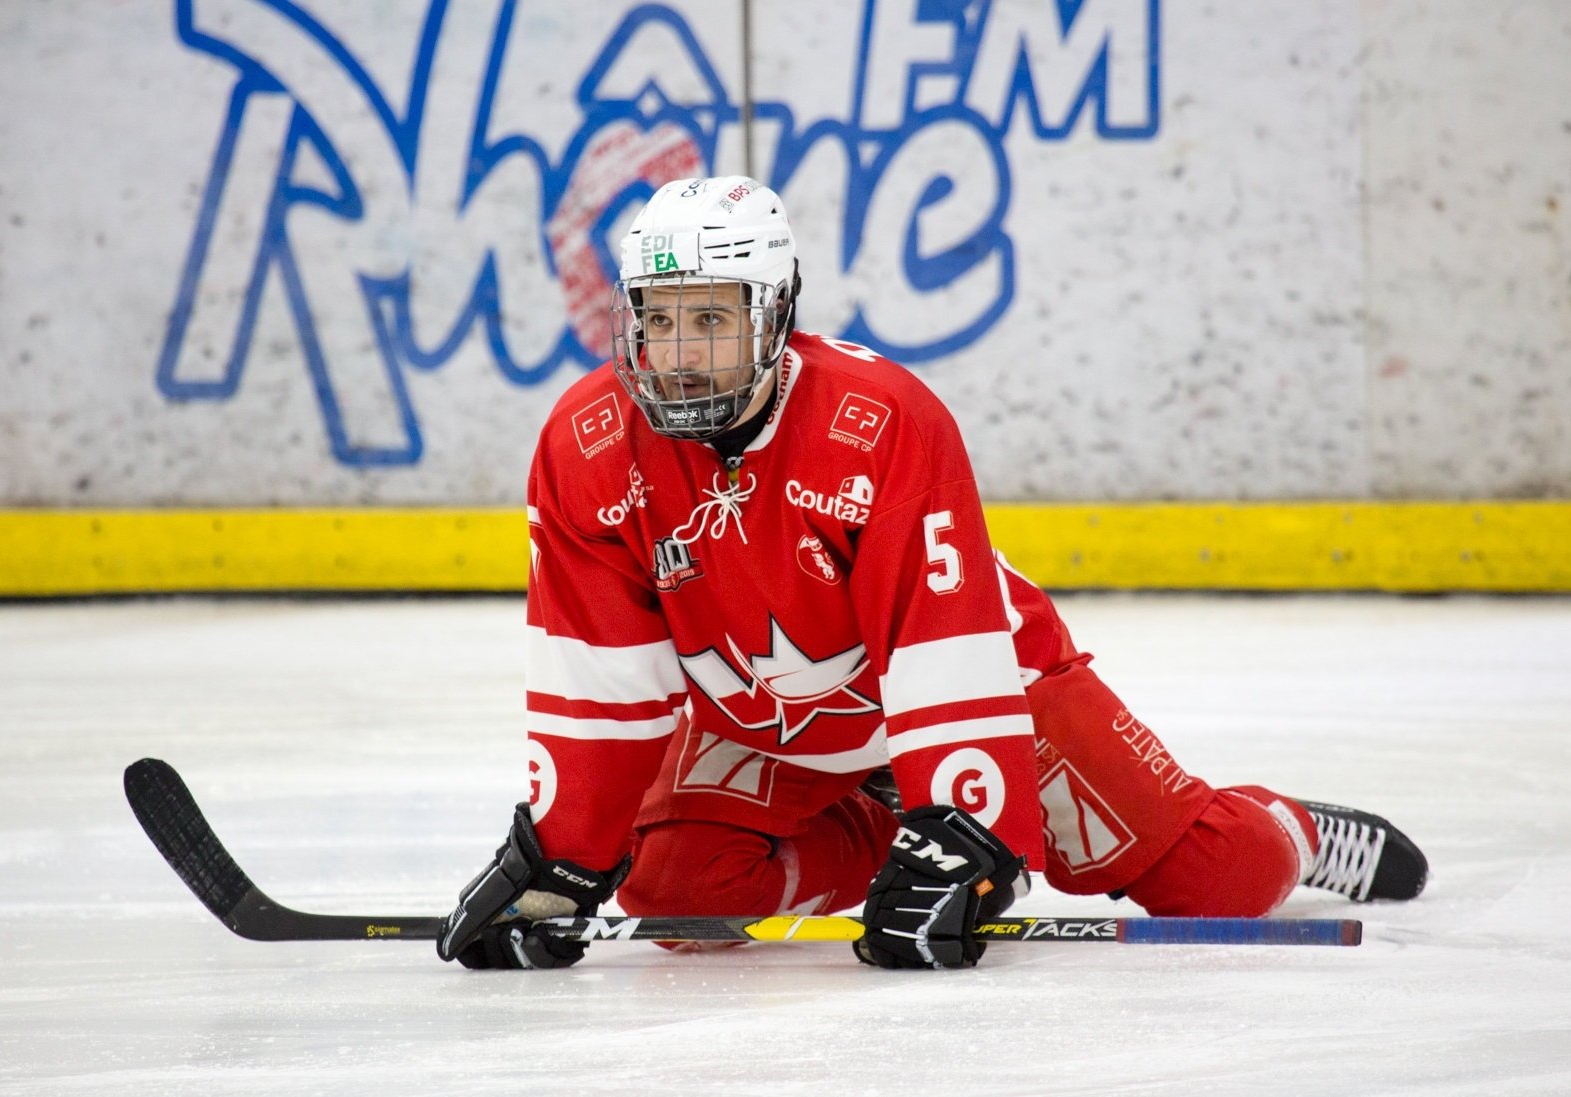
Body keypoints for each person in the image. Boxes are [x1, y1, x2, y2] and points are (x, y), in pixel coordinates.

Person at [437, 176, 1428, 970]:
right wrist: (560, 855)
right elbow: (599, 677)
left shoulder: (877, 421)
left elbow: (942, 640)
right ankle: (882, 837)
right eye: (659, 320)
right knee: (679, 887)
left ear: (774, 313)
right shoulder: (586, 441)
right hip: (772, 722)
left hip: (986, 692)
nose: (681, 354)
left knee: (1215, 879)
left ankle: (1290, 823)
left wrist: (965, 827)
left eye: (713, 320)